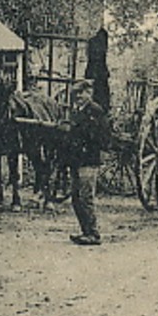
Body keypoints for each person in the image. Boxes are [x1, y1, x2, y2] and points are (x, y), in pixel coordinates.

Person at [54, 80, 113, 246]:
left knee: (86, 197)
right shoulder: (76, 111)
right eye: (76, 93)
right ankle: (85, 231)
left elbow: (103, 137)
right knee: (76, 198)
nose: (78, 96)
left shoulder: (95, 111)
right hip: (75, 160)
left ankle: (93, 234)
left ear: (90, 93)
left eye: (82, 93)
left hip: (88, 160)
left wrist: (75, 132)